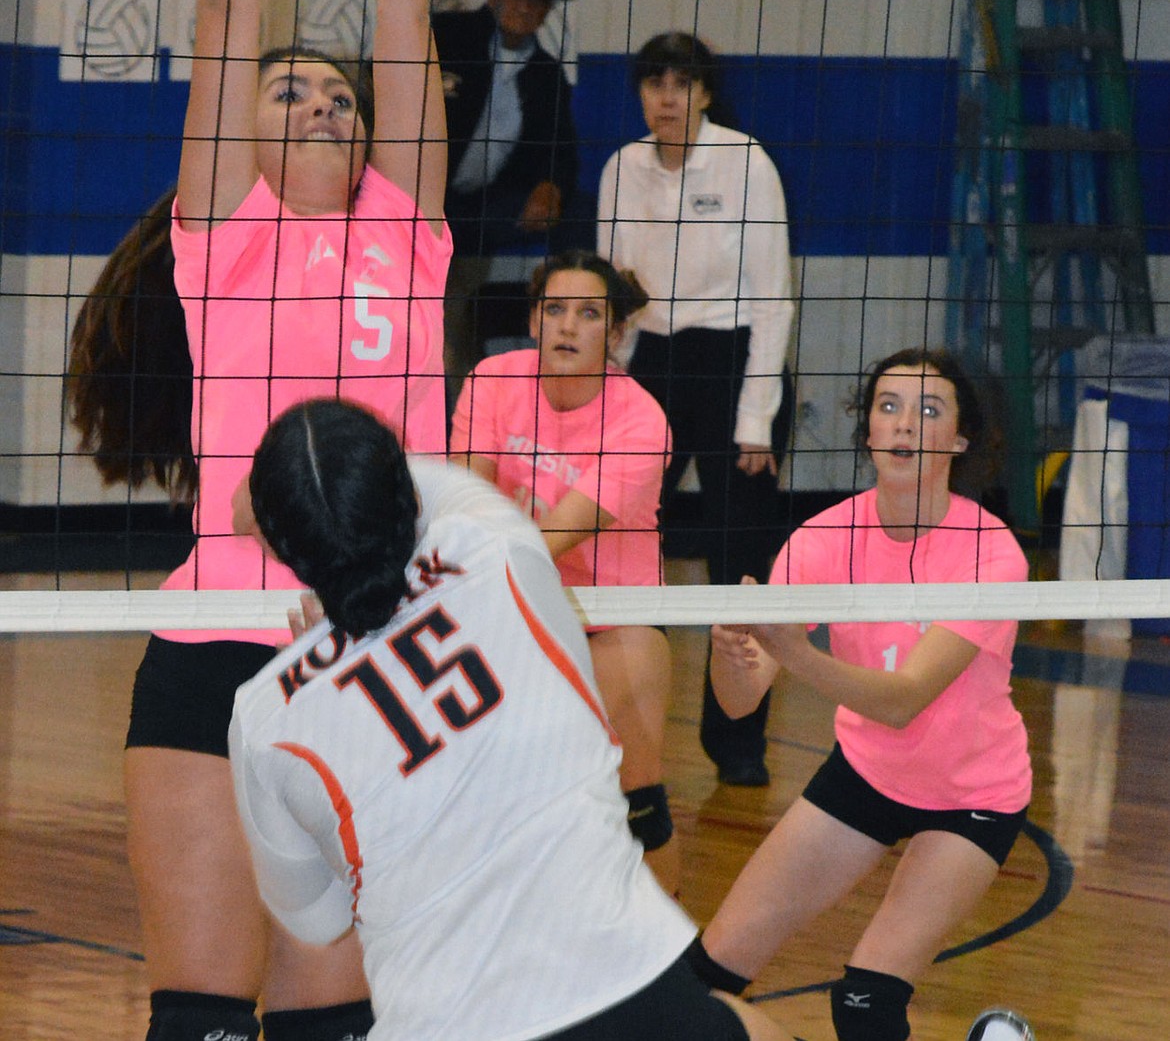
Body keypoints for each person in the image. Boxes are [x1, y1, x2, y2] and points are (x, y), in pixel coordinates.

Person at [66, 0, 468, 1040]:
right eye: (286, 89)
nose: (312, 98)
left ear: (368, 132)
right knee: (196, 1015)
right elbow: (225, 11)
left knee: (331, 1020)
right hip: (218, 632)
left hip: (378, 638)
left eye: (337, 93)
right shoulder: (217, 237)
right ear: (249, 127)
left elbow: (401, 8)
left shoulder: (409, 235)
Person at [229, 396, 795, 1041]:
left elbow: (315, 920)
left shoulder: (265, 714)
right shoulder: (495, 549)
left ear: (282, 546)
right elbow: (436, 485)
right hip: (624, 986)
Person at [686, 348, 1033, 1041]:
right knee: (705, 982)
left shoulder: (991, 552)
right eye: (889, 405)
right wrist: (730, 652)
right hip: (867, 773)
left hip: (972, 795)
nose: (905, 423)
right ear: (869, 428)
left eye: (929, 409)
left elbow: (905, 698)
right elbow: (740, 701)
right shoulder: (821, 538)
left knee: (865, 1003)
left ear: (959, 440)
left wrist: (790, 648)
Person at [448, 248, 680, 894]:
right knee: (501, 791)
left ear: (615, 332)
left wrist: (499, 529)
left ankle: (671, 961)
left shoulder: (641, 420)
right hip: (513, 602)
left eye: (588, 313)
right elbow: (470, 507)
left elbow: (548, 537)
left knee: (637, 800)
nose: (568, 326)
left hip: (612, 614)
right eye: (555, 310)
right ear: (533, 320)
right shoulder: (494, 379)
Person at [597, 30, 795, 787]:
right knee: (615, 543)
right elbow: (613, 297)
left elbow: (774, 296)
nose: (667, 97)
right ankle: (610, 726)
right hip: (649, 364)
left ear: (705, 93)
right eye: (654, 83)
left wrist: (754, 417)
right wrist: (604, 398)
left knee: (738, 561)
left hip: (734, 359)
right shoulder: (622, 168)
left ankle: (740, 742)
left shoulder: (748, 162)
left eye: (682, 84)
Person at [435, 0, 582, 392]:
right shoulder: (443, 36)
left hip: (473, 221)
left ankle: (444, 430)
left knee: (448, 324)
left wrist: (551, 185)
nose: (524, 5)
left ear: (548, 8)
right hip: (407, 210)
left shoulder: (547, 76)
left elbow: (562, 150)